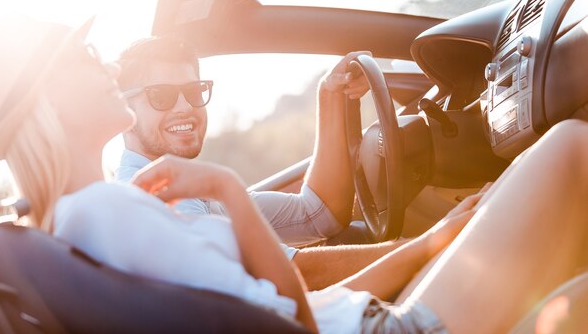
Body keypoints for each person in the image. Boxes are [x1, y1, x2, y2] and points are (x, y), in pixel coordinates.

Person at [0, 15, 588, 333]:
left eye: (194, 90)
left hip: (360, 321)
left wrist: (430, 244)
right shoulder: (114, 209)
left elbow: (307, 230)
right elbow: (290, 320)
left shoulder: (80, 221)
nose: (99, 59)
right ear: (47, 102)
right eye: (81, 55)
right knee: (568, 146)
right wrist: (225, 188)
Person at [114, 35, 413, 290]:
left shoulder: (193, 188)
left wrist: (329, 93)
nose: (185, 107)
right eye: (161, 96)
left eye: (193, 91)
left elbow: (318, 215)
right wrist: (428, 247)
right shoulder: (157, 196)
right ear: (124, 111)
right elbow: (295, 273)